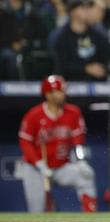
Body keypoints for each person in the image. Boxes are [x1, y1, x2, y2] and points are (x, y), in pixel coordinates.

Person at [18, 75, 97, 212]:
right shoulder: (34, 115)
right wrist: (39, 164)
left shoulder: (73, 112)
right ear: (48, 95)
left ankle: (91, 218)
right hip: (36, 169)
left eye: (63, 91)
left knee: (85, 175)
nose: (62, 94)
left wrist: (81, 162)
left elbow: (78, 140)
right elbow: (25, 143)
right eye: (58, 91)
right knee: (37, 211)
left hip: (61, 167)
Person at [53, 0, 110, 81]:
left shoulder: (98, 35)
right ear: (72, 12)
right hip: (72, 85)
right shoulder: (62, 37)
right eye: (83, 8)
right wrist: (85, 69)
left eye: (88, 8)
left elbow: (106, 59)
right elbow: (62, 66)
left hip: (96, 85)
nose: (88, 11)